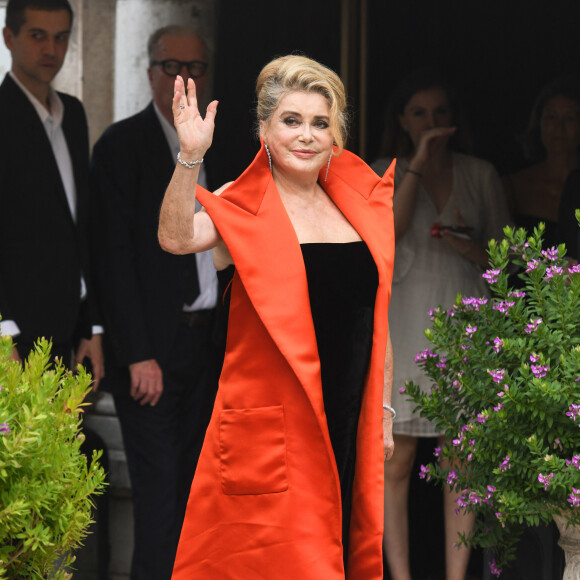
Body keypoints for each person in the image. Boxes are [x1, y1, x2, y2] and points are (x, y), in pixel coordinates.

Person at [157, 55, 395, 579]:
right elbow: (175, 238)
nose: (306, 135)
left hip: (348, 421)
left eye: (319, 123)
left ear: (336, 136)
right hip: (274, 434)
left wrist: (382, 411)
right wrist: (190, 156)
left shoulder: (357, 207)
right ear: (263, 129)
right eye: (291, 120)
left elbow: (375, 316)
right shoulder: (241, 205)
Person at [90, 24, 224, 580]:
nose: (184, 79)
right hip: (152, 354)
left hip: (211, 344)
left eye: (195, 68)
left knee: (203, 494)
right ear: (150, 73)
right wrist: (137, 352)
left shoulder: (227, 142)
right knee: (160, 498)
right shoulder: (122, 146)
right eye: (173, 67)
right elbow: (110, 258)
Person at [372, 69, 511, 580]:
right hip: (404, 325)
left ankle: (457, 575)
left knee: (462, 458)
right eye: (419, 113)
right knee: (398, 459)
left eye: (440, 113)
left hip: (465, 321)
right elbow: (390, 230)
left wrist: (469, 245)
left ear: (454, 119)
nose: (431, 122)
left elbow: (504, 259)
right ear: (402, 121)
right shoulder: (383, 170)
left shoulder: (481, 173)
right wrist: (416, 165)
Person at [0, 1, 108, 578]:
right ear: (8, 36)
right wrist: (4, 332)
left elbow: (79, 229)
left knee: (61, 473)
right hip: (13, 334)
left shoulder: (75, 115)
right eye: (37, 36)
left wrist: (91, 327)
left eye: (61, 37)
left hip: (68, 331)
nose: (51, 49)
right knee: (17, 481)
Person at [502, 75, 580, 249]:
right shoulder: (513, 187)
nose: (559, 128)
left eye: (569, 118)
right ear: (539, 122)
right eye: (551, 117)